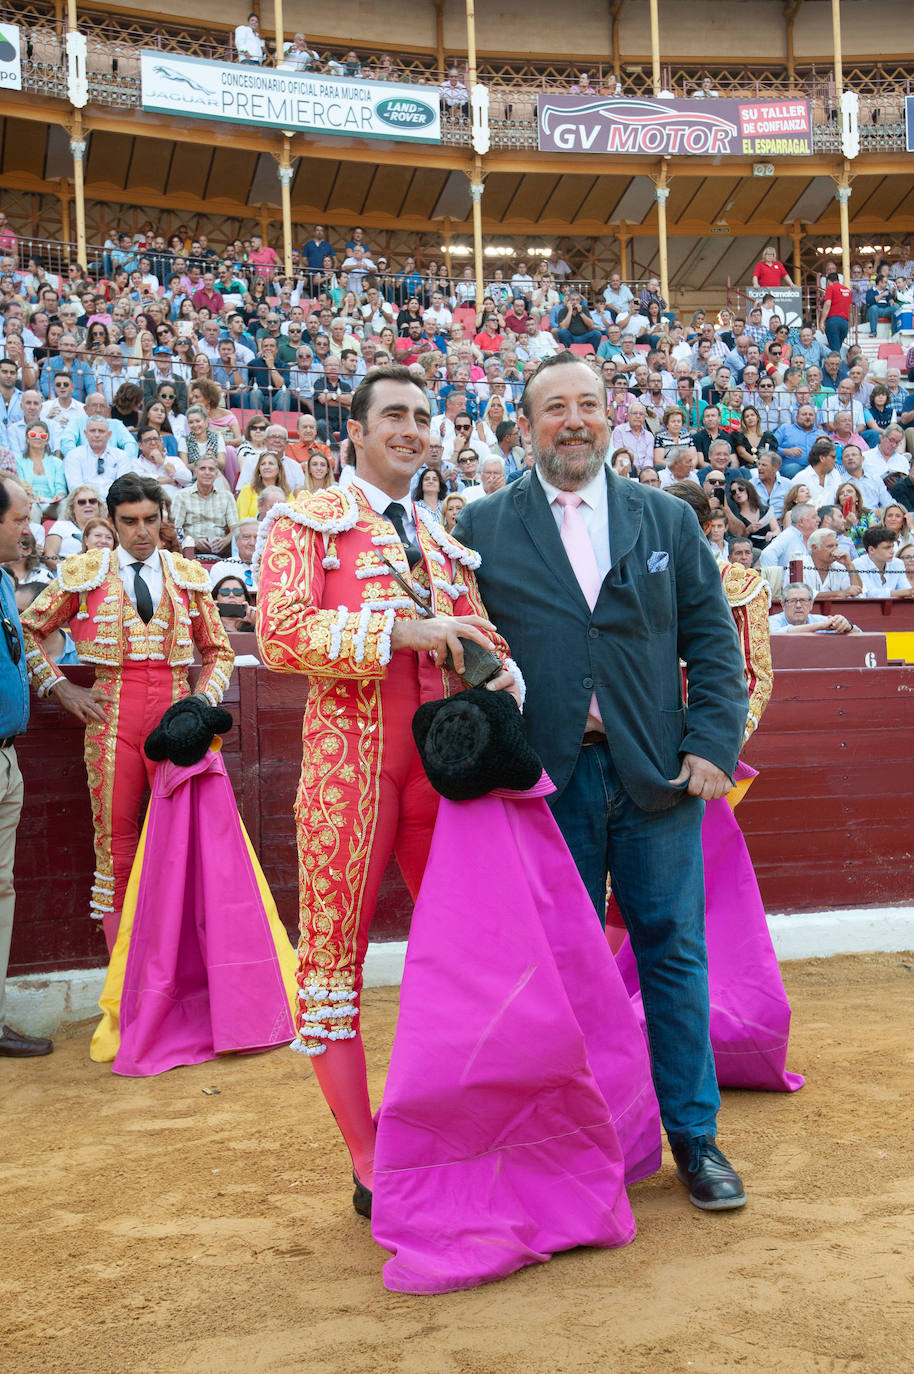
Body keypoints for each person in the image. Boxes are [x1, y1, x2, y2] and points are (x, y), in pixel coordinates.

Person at [455, 353, 750, 1210]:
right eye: (556, 408)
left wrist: (713, 744)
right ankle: (577, 1144)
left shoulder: (662, 517)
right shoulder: (482, 524)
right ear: (527, 423)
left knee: (676, 957)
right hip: (549, 785)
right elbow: (469, 654)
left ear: (611, 418)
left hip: (657, 777)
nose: (574, 420)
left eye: (588, 405)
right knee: (559, 970)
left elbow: (713, 643)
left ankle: (694, 1139)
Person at [255, 364, 520, 1211]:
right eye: (394, 416)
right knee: (332, 960)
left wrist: (506, 672)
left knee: (471, 951)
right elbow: (280, 637)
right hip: (351, 767)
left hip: (443, 771)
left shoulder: (444, 541)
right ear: (356, 435)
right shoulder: (303, 522)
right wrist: (407, 628)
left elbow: (480, 634)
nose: (412, 428)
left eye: (421, 417)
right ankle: (369, 1157)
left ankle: (454, 1118)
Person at [20, 474, 234, 953]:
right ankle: (125, 978)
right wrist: (60, 688)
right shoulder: (85, 572)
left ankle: (182, 966)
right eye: (130, 522)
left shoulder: (188, 575)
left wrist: (200, 705)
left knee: (184, 844)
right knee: (115, 846)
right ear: (111, 523)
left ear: (163, 519)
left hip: (176, 724)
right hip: (111, 719)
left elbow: (218, 651)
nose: (142, 531)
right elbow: (30, 629)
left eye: (151, 520)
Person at [0, 480, 54, 1055]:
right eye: (18, 519)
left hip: (6, 755)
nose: (28, 529)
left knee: (0, 889)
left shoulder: (2, 580)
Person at [170, 456, 238, 556]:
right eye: (202, 469)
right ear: (195, 473)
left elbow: (235, 529)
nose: (207, 472)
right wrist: (193, 541)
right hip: (190, 552)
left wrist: (225, 541)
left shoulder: (227, 496)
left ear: (216, 474)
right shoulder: (181, 496)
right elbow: (175, 528)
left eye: (211, 469)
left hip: (220, 551)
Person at [769, 582, 858, 634]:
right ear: (783, 605)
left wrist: (847, 626)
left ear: (811, 604)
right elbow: (781, 634)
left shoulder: (822, 621)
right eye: (792, 601)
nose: (798, 605)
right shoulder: (770, 622)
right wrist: (820, 626)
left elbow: (860, 635)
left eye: (803, 600)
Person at [851, 525, 913, 598]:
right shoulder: (858, 564)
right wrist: (900, 593)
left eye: (892, 546)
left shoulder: (898, 563)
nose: (892, 551)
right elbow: (866, 593)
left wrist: (907, 592)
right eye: (887, 548)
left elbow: (906, 590)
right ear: (871, 550)